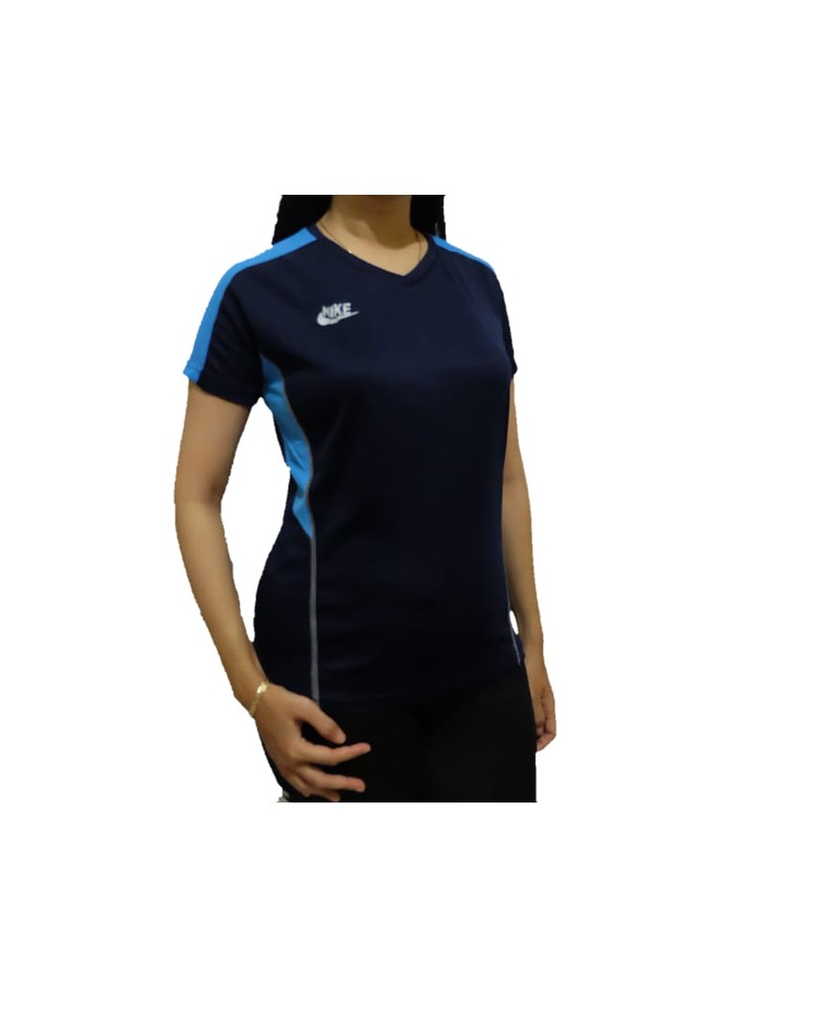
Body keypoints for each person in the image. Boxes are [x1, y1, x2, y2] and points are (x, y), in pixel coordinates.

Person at [174, 195, 556, 802]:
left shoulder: (477, 283)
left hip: (485, 667)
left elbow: (506, 477)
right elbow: (196, 496)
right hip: (336, 674)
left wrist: (532, 643)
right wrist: (253, 690)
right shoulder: (259, 289)